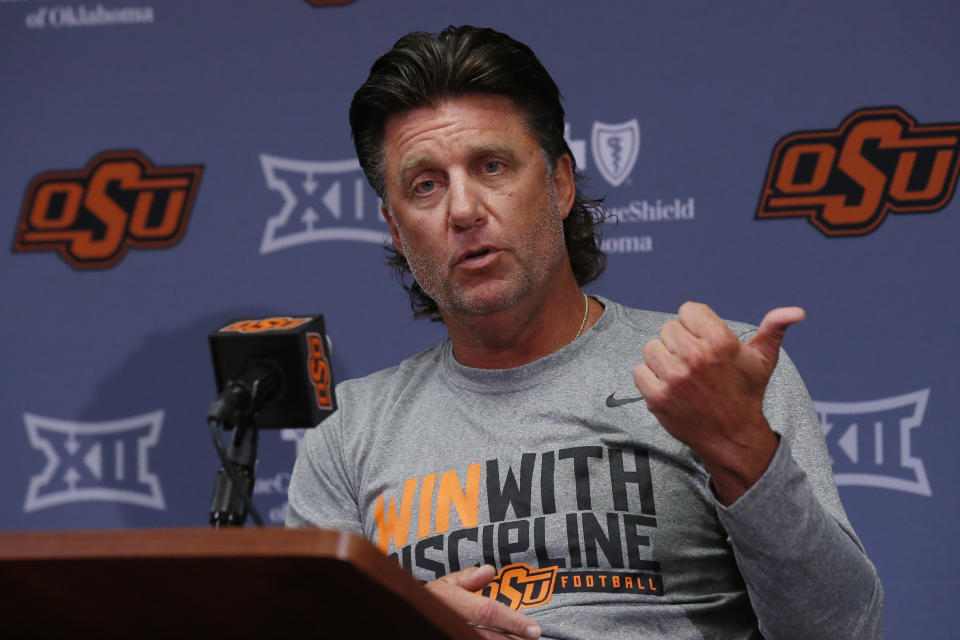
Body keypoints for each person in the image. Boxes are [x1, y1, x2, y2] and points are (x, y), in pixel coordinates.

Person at [287, 25, 883, 640]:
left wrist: (740, 447)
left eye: (492, 166)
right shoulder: (348, 432)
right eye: (425, 185)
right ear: (394, 226)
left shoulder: (714, 375)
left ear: (560, 183)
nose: (462, 210)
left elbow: (844, 630)